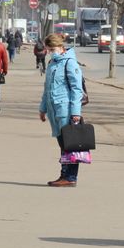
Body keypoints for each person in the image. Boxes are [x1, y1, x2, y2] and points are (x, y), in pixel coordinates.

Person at [39, 33, 84, 187]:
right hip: (54, 111)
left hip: (66, 110)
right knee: (63, 145)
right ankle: (64, 174)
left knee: (69, 145)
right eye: (48, 50)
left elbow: (77, 89)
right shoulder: (52, 63)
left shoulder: (69, 62)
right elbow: (47, 88)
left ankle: (70, 177)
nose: (50, 52)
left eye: (52, 49)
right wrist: (42, 108)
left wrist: (76, 112)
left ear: (60, 47)